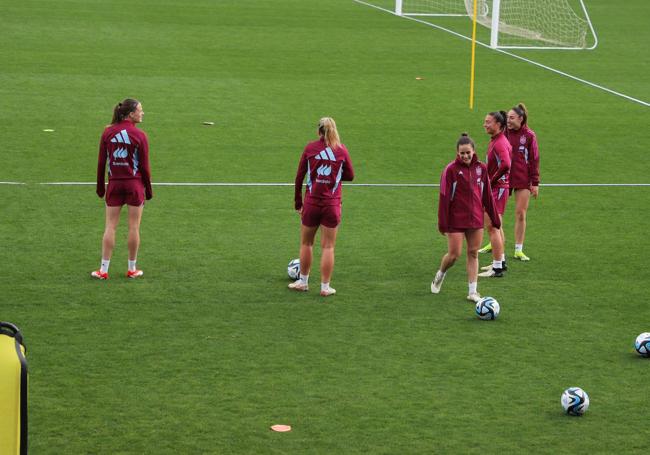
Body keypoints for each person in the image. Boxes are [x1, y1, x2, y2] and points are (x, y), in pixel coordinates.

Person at [431, 133, 501, 303]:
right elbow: (444, 198)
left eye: (468, 152)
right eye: (462, 153)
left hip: (475, 218)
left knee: (473, 253)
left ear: (473, 151)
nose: (465, 156)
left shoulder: (481, 169)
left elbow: (487, 197)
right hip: (455, 220)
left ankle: (472, 291)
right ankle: (440, 273)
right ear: (457, 153)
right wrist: (443, 223)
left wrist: (494, 218)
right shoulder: (450, 170)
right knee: (454, 254)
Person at [289, 117, 355, 297]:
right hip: (332, 205)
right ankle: (325, 287)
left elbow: (299, 176)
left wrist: (298, 202)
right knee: (328, 247)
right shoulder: (341, 150)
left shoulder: (310, 148)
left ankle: (303, 282)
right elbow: (350, 175)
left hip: (311, 203)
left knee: (306, 243)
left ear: (318, 131)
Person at [91, 99, 152, 280]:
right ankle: (132, 268)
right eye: (140, 110)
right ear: (130, 114)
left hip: (115, 185)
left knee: (110, 227)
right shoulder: (140, 135)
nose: (142, 113)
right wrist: (148, 190)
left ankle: (103, 270)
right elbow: (145, 167)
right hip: (134, 185)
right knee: (134, 227)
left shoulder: (107, 132)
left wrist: (100, 187)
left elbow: (102, 162)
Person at [478, 111, 511, 278]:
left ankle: (497, 268)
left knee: (492, 227)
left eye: (488, 122)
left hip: (498, 189)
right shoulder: (497, 140)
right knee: (497, 226)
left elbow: (506, 164)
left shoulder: (499, 143)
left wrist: (492, 180)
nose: (485, 124)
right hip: (499, 188)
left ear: (498, 124)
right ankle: (500, 262)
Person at [505, 103, 539, 261]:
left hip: (522, 178)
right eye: (507, 118)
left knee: (520, 213)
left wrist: (535, 182)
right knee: (494, 212)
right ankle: (494, 240)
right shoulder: (503, 132)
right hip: (502, 177)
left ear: (521, 118)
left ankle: (518, 249)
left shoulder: (529, 136)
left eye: (511, 118)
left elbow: (534, 159)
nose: (508, 121)